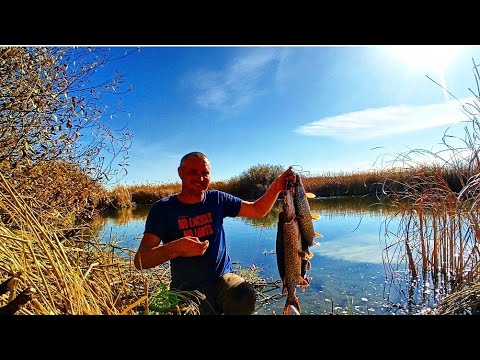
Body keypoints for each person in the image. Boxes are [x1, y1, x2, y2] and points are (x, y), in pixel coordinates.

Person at [133, 151, 296, 315]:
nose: (200, 178)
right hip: (185, 289)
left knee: (244, 293)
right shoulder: (162, 209)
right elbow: (141, 260)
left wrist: (277, 187)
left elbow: (257, 210)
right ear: (180, 173)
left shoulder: (217, 199)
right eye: (193, 172)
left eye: (205, 173)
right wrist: (177, 248)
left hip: (222, 280)